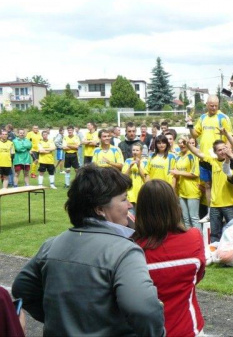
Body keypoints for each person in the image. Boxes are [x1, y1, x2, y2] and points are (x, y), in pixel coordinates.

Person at [12, 165, 165, 336]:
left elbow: (21, 288)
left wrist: (57, 319)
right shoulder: (124, 251)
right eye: (123, 199)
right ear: (100, 209)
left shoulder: (51, 245)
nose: (130, 205)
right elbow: (144, 310)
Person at [132, 180, 205, 337]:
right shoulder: (194, 238)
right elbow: (197, 276)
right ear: (174, 206)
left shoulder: (130, 249)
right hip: (189, 329)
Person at [187, 95, 233, 208]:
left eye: (216, 106)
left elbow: (229, 137)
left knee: (219, 185)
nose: (213, 108)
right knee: (207, 185)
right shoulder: (202, 117)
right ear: (207, 105)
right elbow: (195, 134)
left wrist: (227, 154)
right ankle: (210, 211)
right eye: (211, 105)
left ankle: (220, 208)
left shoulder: (223, 117)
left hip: (218, 158)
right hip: (204, 156)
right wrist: (190, 124)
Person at [187, 139, 233, 242]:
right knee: (214, 234)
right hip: (215, 205)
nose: (222, 151)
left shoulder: (232, 161)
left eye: (224, 149)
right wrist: (188, 145)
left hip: (230, 204)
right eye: (219, 150)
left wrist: (227, 134)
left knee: (232, 232)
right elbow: (198, 153)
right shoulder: (212, 161)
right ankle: (214, 255)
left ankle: (232, 255)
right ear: (215, 152)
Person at [171, 136, 202, 231]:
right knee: (185, 219)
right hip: (182, 190)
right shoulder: (179, 156)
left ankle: (199, 240)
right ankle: (189, 240)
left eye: (184, 142)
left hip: (192, 190)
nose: (181, 144)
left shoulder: (192, 155)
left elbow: (195, 174)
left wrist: (178, 173)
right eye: (180, 143)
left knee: (194, 218)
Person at [122, 142, 148, 208]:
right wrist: (130, 167)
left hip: (141, 192)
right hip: (130, 192)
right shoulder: (128, 161)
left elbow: (145, 177)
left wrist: (139, 166)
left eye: (137, 150)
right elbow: (124, 177)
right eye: (133, 150)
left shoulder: (146, 161)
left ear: (141, 151)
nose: (135, 152)